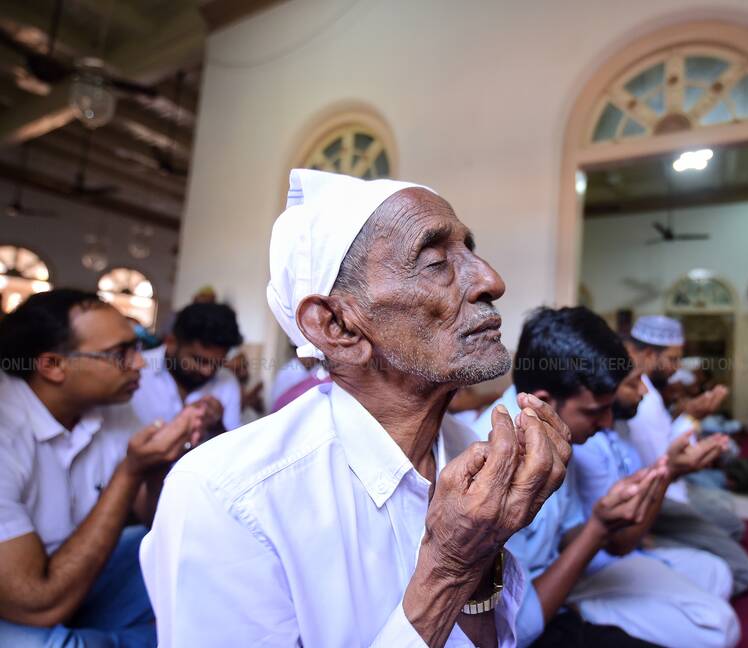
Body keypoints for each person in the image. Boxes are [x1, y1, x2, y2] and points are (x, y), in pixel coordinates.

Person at [140, 169, 572, 647]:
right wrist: (449, 568)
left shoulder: (476, 459)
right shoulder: (228, 497)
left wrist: (480, 560)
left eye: (470, 250)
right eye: (435, 262)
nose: (491, 279)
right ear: (337, 326)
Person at [475, 307, 740, 648]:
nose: (605, 424)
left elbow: (571, 535)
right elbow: (517, 628)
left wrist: (620, 510)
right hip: (537, 610)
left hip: (571, 577)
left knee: (716, 575)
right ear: (543, 401)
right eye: (595, 412)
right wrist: (599, 528)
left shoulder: (551, 428)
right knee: (716, 629)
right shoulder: (492, 460)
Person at [0, 289, 204, 647]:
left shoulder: (110, 404)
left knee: (183, 549)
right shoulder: (6, 429)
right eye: (118, 354)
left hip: (71, 583)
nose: (140, 364)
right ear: (52, 365)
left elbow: (151, 515)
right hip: (21, 605)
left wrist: (158, 464)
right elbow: (35, 602)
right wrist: (130, 470)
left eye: (136, 348)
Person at [574, 354, 748, 596]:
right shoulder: (590, 436)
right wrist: (688, 426)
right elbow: (616, 540)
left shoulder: (624, 420)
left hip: (647, 515)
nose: (643, 391)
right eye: (634, 383)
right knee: (729, 583)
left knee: (727, 536)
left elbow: (653, 470)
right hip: (623, 542)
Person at [626, 316, 744, 540]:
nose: (677, 368)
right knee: (733, 528)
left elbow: (664, 437)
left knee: (726, 506)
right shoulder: (644, 399)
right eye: (673, 359)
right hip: (661, 493)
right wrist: (692, 417)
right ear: (650, 355)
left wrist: (688, 415)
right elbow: (663, 461)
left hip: (672, 487)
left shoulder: (650, 390)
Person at [130, 302, 243, 434]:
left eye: (218, 363)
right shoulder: (137, 371)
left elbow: (234, 448)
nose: (208, 371)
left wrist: (217, 427)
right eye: (199, 360)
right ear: (171, 342)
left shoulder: (227, 382)